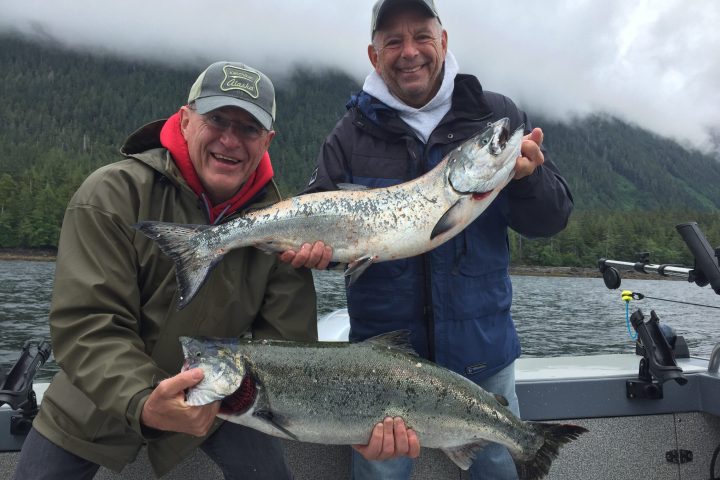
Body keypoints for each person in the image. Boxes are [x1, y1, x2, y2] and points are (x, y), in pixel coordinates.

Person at [12, 61, 333, 480]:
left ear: (267, 141)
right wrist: (143, 399)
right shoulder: (111, 194)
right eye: (216, 119)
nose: (230, 140)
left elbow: (286, 348)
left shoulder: (283, 225)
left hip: (219, 401)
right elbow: (88, 323)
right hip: (98, 398)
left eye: (249, 129)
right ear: (184, 121)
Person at [299, 1, 574, 478]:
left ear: (443, 41)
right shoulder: (348, 136)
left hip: (481, 353)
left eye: (422, 37)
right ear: (373, 55)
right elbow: (317, 224)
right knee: (380, 472)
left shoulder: (495, 117)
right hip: (381, 363)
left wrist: (529, 178)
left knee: (498, 465)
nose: (410, 52)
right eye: (393, 41)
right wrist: (316, 256)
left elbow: (552, 219)